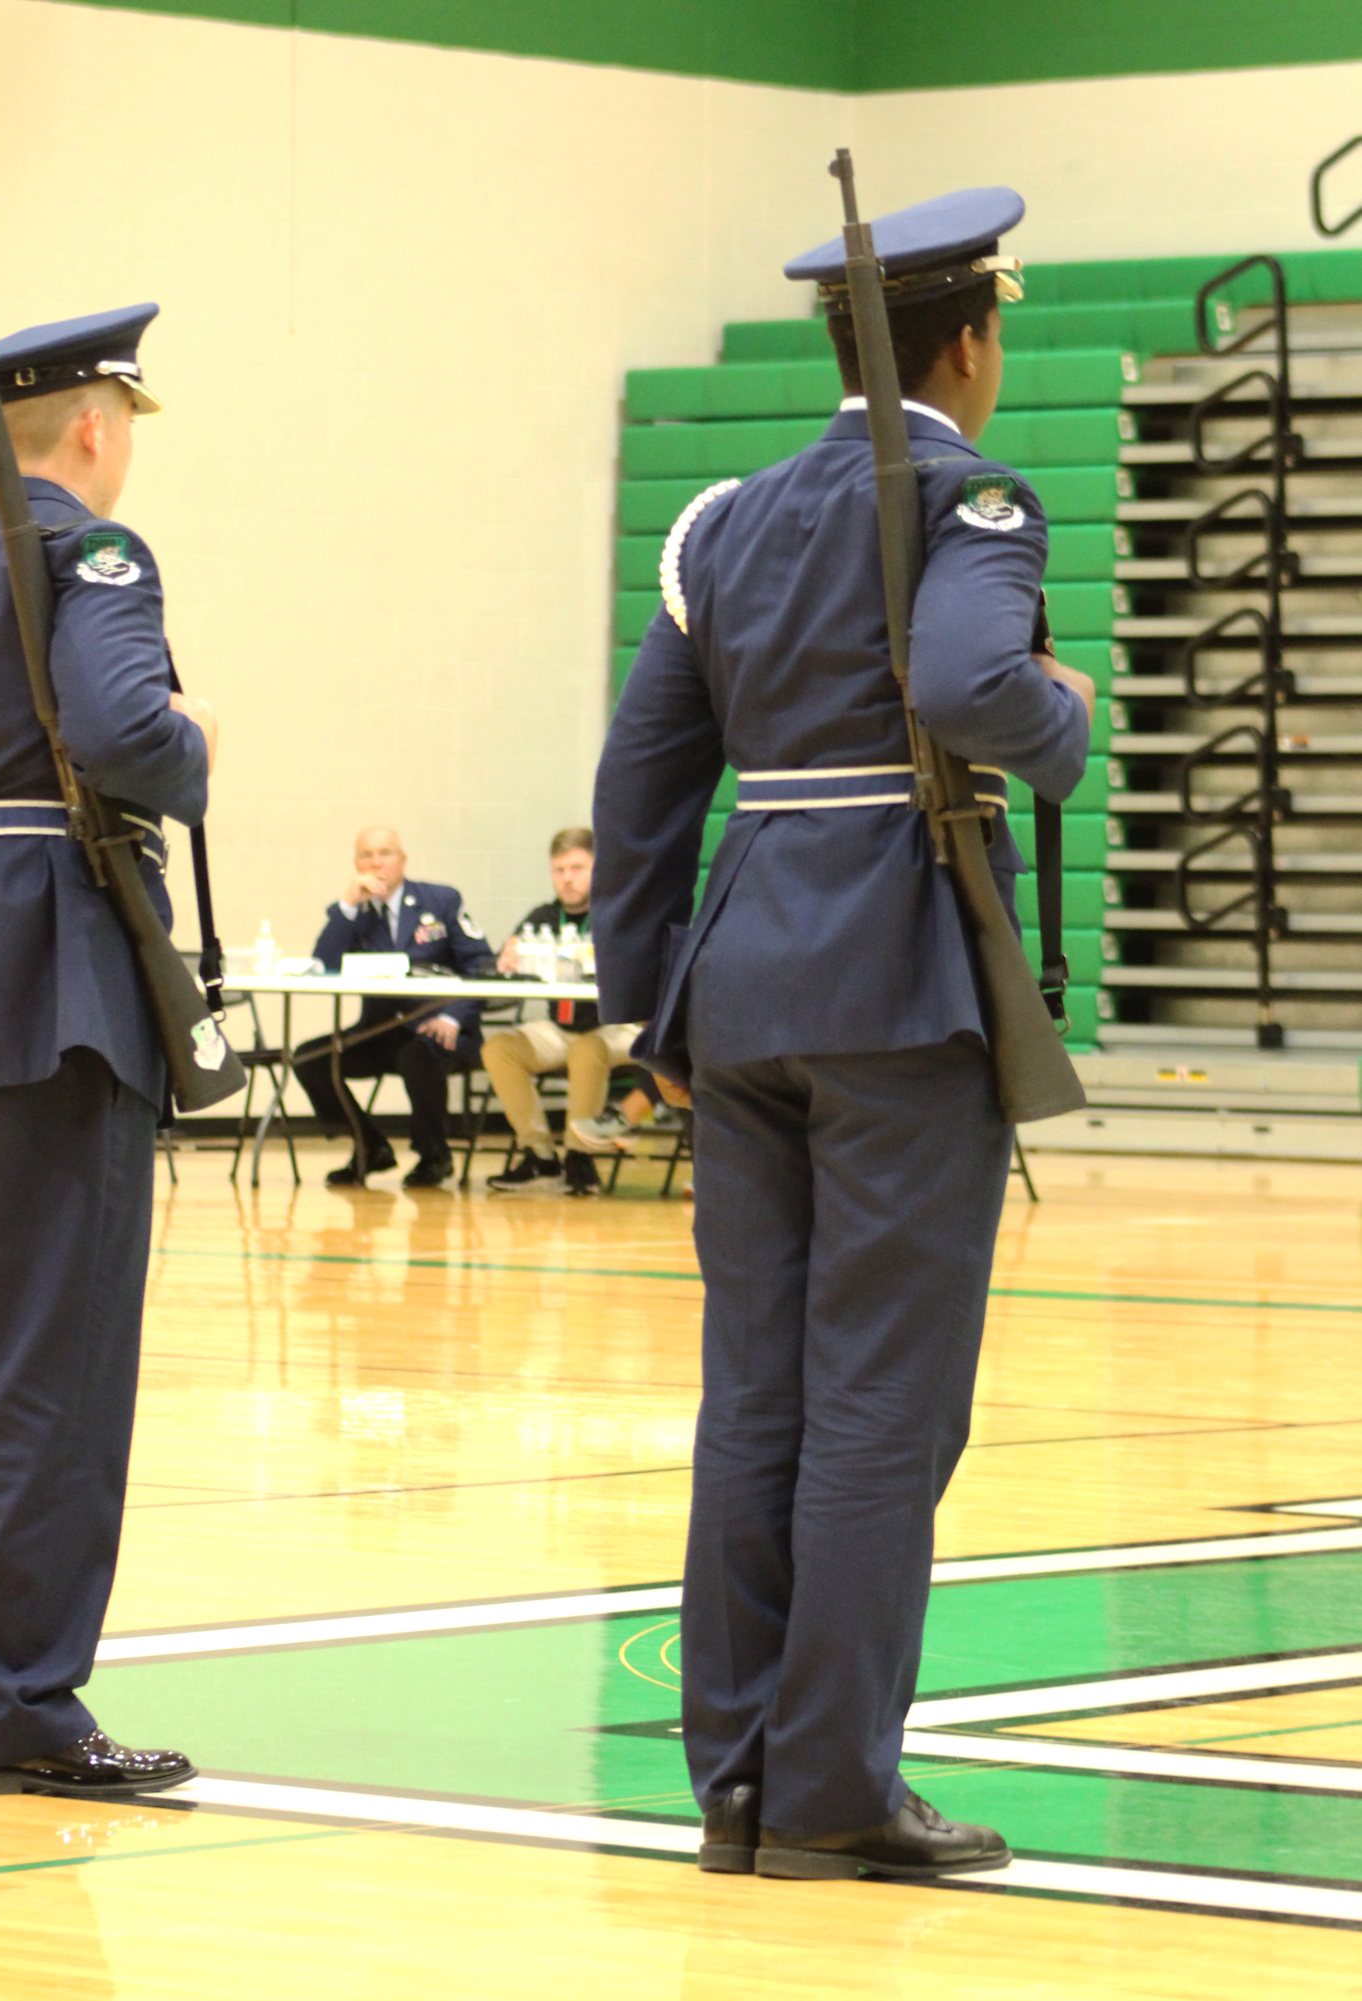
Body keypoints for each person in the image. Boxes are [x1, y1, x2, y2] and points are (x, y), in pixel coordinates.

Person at [590, 187, 1095, 1880]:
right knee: (881, 1399)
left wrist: (640, 992)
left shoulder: (719, 521)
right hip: (891, 979)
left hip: (738, 991)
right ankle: (831, 1791)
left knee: (757, 1396)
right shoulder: (971, 502)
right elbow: (967, 691)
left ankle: (734, 1782)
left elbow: (643, 781)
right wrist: (1061, 717)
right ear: (967, 343)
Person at [0, 304, 214, 1797]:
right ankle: (17, 1701)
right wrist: (193, 738)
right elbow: (120, 730)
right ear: (94, 426)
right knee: (52, 1364)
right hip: (49, 989)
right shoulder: (87, 554)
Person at [293, 826, 495, 1187]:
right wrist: (348, 906)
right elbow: (323, 965)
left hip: (440, 1032)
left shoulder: (441, 901)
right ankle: (369, 1147)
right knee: (309, 1058)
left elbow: (481, 966)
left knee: (416, 1054)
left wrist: (453, 1015)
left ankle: (435, 1155)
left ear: (403, 860)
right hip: (380, 1031)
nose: (376, 862)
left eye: (385, 853)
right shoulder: (354, 913)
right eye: (367, 856)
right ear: (356, 864)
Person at [483, 828, 641, 1197]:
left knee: (588, 1049)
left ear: (598, 869)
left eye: (576, 868)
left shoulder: (617, 914)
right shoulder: (542, 916)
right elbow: (501, 975)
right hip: (562, 1027)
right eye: (559, 870)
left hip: (617, 1025)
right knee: (499, 1048)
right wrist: (504, 964)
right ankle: (539, 1155)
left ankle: (579, 1155)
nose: (567, 879)